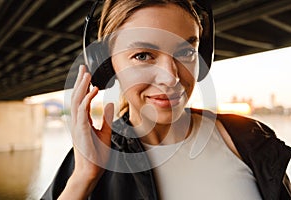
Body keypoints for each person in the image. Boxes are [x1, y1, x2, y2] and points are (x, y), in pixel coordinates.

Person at [42, 0, 291, 199]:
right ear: (107, 65)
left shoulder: (251, 138)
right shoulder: (90, 159)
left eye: (185, 52)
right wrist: (82, 180)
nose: (170, 77)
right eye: (143, 55)